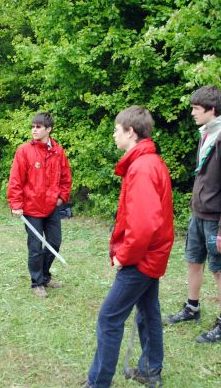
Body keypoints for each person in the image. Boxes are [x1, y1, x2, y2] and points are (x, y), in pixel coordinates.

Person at [83, 106, 174, 388]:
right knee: (148, 311)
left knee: (109, 317)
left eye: (116, 130)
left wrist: (124, 256)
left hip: (142, 258)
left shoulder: (143, 167)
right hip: (152, 254)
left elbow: (144, 224)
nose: (113, 135)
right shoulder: (146, 162)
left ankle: (98, 383)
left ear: (130, 132)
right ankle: (149, 370)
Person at [165, 85, 221, 343]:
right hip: (197, 215)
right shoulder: (206, 133)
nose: (192, 113)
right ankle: (192, 308)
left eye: (196, 109)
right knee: (192, 261)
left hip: (215, 221)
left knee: (220, 270)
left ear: (212, 110)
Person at [7, 112, 72, 298]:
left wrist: (61, 198)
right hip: (31, 208)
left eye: (38, 127)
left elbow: (66, 178)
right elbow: (15, 179)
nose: (34, 130)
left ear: (48, 129)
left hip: (52, 207)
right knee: (35, 248)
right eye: (33, 126)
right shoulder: (24, 151)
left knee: (54, 243)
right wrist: (16, 204)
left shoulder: (58, 152)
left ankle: (45, 275)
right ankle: (37, 283)